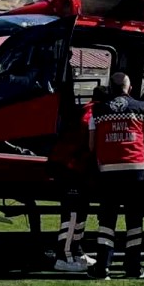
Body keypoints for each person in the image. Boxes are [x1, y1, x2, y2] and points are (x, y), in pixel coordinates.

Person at [87, 72, 144, 279]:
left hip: (108, 171)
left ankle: (102, 267)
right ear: (129, 87)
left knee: (107, 220)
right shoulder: (141, 107)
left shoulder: (97, 110)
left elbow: (92, 145)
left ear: (110, 88)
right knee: (135, 220)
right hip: (136, 169)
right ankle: (134, 267)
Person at [47, 85, 103, 272]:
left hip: (78, 170)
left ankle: (77, 251)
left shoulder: (88, 111)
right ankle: (63, 257)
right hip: (69, 168)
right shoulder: (90, 115)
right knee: (71, 214)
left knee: (81, 212)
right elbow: (89, 141)